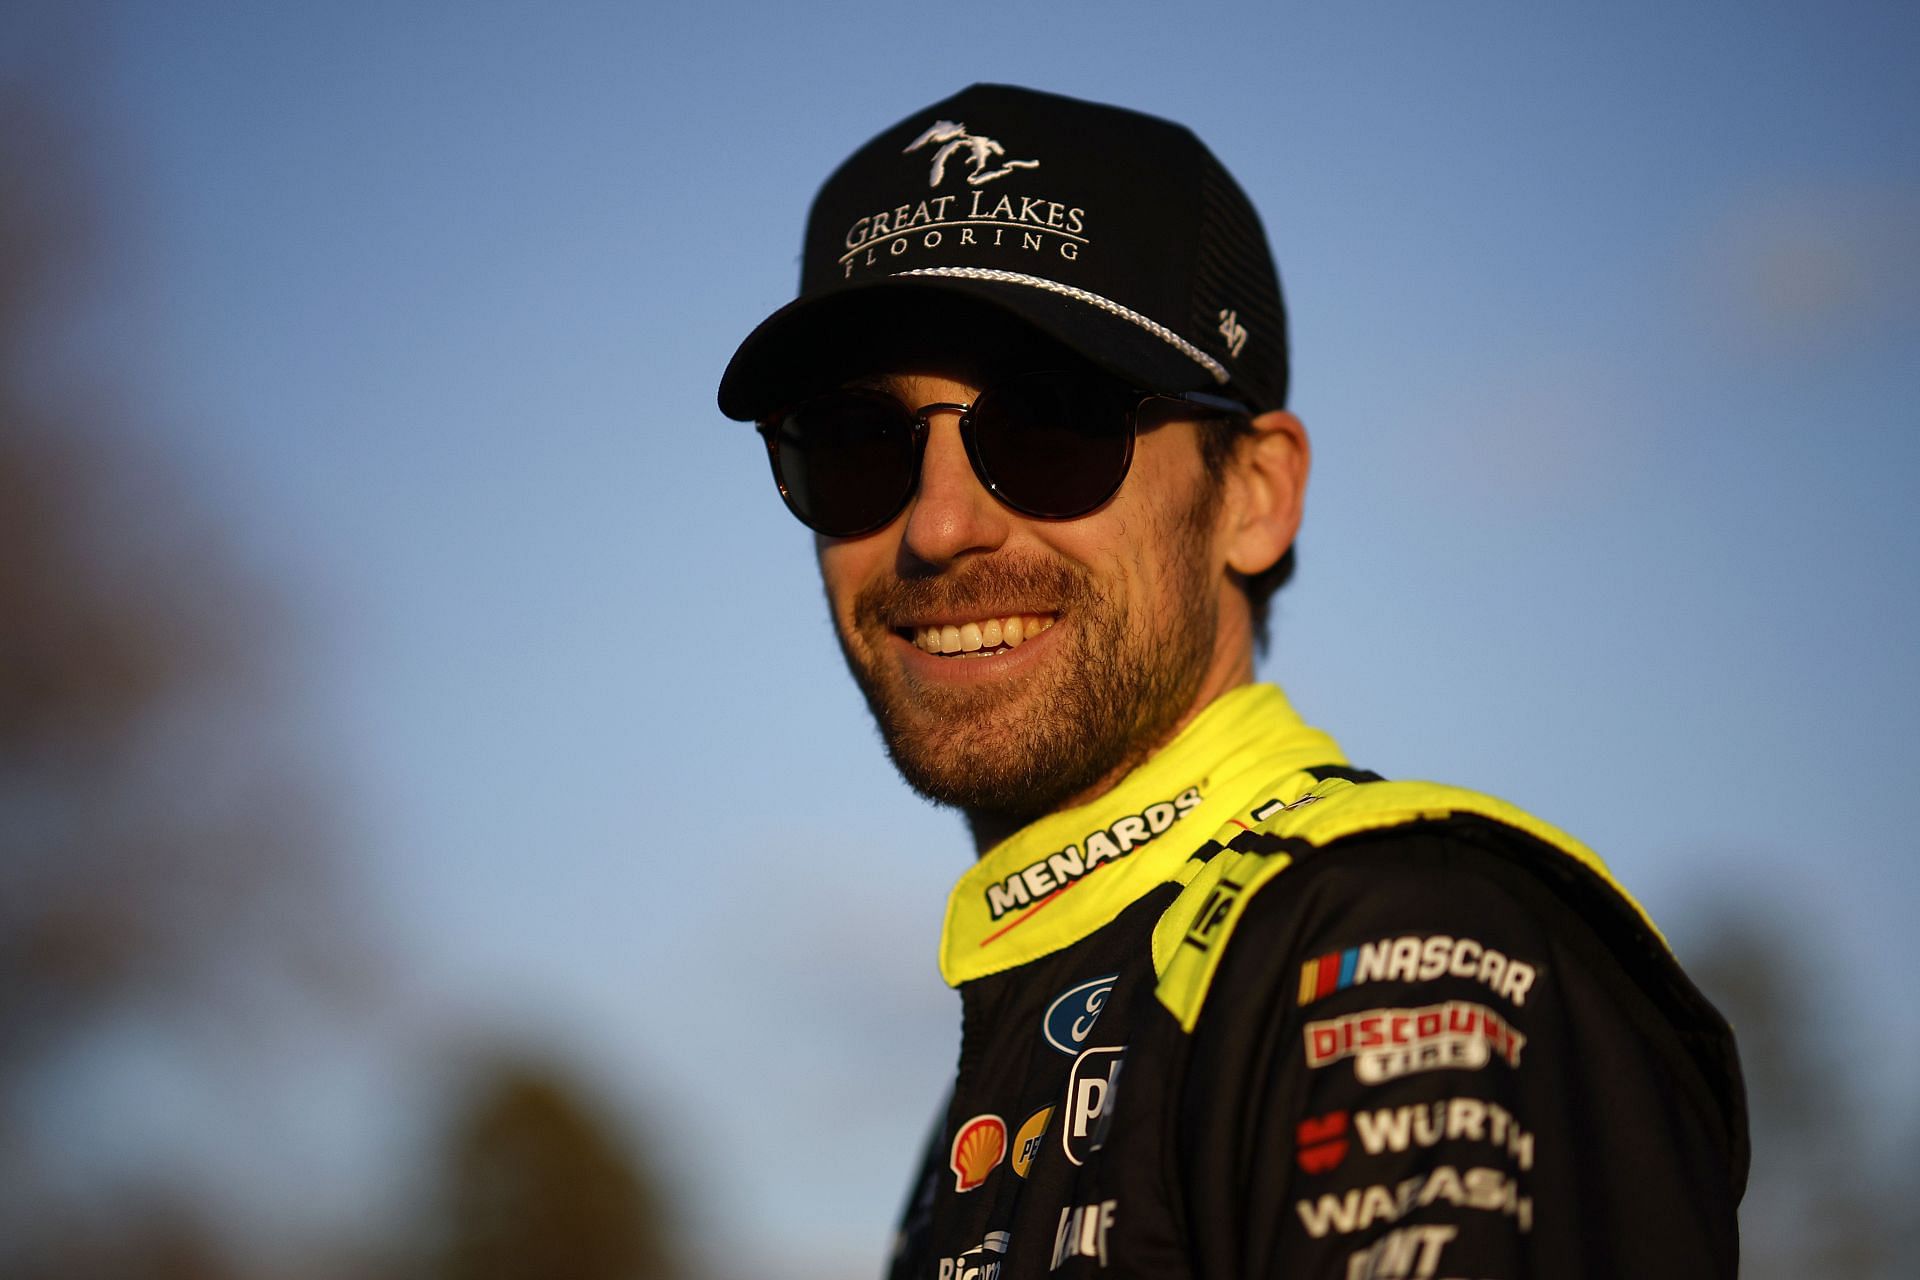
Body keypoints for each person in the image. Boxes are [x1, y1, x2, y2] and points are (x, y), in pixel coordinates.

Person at [717, 83, 1747, 1280]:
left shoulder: (1389, 942)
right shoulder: (1018, 1058)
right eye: (852, 443)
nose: (939, 523)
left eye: (1053, 424)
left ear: (1254, 495)